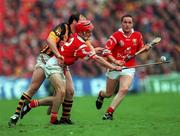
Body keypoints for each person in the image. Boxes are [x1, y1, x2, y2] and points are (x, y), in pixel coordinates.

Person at [20, 20, 122, 124]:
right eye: (88, 31)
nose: (91, 34)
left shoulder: (76, 38)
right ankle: (53, 120)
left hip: (61, 67)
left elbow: (79, 51)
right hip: (53, 65)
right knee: (61, 92)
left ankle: (31, 105)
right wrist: (112, 67)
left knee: (63, 96)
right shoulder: (79, 44)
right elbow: (96, 59)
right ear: (82, 32)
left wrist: (96, 50)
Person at [8, 13, 85, 127]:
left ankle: (64, 118)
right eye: (82, 19)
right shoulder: (64, 27)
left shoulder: (78, 35)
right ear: (74, 21)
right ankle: (16, 114)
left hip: (61, 63)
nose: (85, 22)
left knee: (70, 91)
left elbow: (85, 47)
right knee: (33, 88)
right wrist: (58, 55)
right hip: (47, 58)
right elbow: (50, 40)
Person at [95, 14, 150, 120]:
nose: (127, 25)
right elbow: (106, 51)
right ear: (121, 23)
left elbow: (141, 51)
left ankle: (109, 113)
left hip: (129, 67)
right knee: (108, 93)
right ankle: (101, 95)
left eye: (129, 22)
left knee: (124, 89)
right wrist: (115, 61)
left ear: (132, 24)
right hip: (114, 66)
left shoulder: (138, 35)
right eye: (125, 22)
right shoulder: (116, 35)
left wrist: (146, 48)